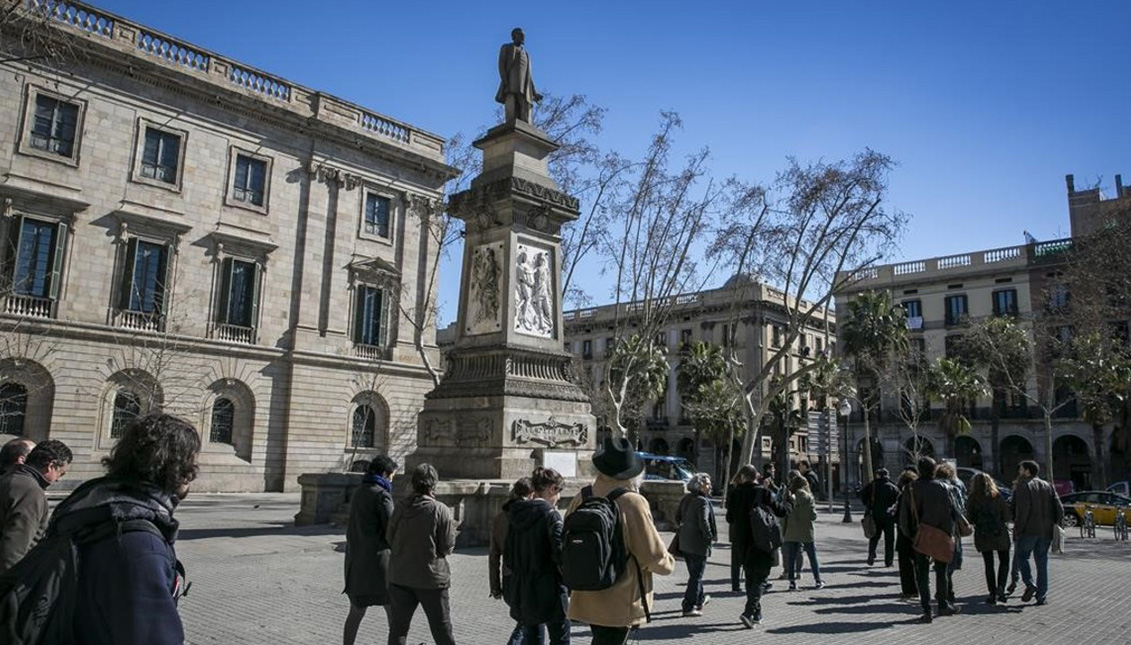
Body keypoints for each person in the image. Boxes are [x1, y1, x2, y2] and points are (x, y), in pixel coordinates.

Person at [54, 413, 199, 644]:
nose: (195, 470)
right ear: (175, 466)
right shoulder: (140, 547)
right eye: (192, 460)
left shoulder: (92, 509)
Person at [567, 438, 674, 645]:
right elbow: (651, 553)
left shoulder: (582, 497)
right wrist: (668, 564)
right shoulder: (633, 501)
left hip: (586, 593)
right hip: (620, 597)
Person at [386, 463, 458, 645]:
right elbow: (447, 546)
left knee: (398, 630)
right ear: (433, 485)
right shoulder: (439, 510)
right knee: (442, 631)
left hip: (400, 576)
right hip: (431, 580)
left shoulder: (401, 508)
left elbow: (389, 538)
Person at [505, 467, 569, 645]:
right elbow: (560, 554)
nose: (559, 498)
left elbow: (508, 556)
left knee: (532, 639)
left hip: (524, 588)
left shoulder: (515, 514)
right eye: (559, 492)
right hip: (551, 589)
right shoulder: (551, 516)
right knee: (560, 639)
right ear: (552, 489)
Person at [343, 455, 398, 645]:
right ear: (385, 473)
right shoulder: (382, 495)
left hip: (356, 562)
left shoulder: (359, 491)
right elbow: (392, 528)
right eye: (392, 475)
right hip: (379, 564)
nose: (392, 479)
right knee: (393, 611)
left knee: (356, 611)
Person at [898, 457, 958, 622]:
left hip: (920, 534)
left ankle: (926, 609)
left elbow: (904, 518)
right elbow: (953, 513)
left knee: (922, 573)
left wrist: (911, 536)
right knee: (941, 572)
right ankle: (943, 605)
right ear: (934, 470)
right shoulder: (945, 488)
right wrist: (948, 534)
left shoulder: (910, 488)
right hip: (941, 533)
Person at [729, 465, 790, 628]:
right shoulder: (763, 492)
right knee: (762, 578)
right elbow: (781, 511)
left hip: (742, 541)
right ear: (756, 476)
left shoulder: (735, 493)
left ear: (742, 477)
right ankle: (748, 612)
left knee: (750, 577)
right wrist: (787, 501)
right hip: (762, 540)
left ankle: (757, 614)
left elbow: (729, 518)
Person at [0, 438, 71, 575]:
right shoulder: (31, 491)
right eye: (60, 473)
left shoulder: (11, 478)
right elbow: (14, 548)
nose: (58, 479)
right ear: (51, 465)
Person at [1012, 459, 1064, 606]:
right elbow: (1059, 508)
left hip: (1029, 529)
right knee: (1042, 562)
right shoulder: (1048, 486)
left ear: (1028, 471)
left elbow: (1023, 510)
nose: (1019, 471)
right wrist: (1056, 525)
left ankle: (1029, 583)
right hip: (1046, 531)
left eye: (1021, 469)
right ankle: (1041, 596)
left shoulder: (1024, 486)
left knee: (1022, 557)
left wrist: (1019, 528)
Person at [492, 477, 534, 645]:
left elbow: (494, 555)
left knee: (526, 623)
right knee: (525, 623)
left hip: (508, 578)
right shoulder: (531, 514)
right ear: (532, 494)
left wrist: (495, 586)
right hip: (526, 578)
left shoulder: (500, 517)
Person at [967, 472, 1011, 605]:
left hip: (983, 533)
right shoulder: (997, 496)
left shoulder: (973, 498)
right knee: (1004, 561)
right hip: (999, 532)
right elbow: (1006, 515)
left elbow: (970, 518)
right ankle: (1001, 588)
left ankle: (992, 593)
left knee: (989, 564)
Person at [677, 472, 716, 617]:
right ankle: (688, 605)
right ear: (699, 485)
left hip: (685, 542)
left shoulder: (686, 498)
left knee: (694, 573)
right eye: (707, 483)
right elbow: (704, 522)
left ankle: (700, 598)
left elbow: (677, 517)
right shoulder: (702, 501)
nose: (710, 486)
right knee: (696, 576)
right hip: (698, 544)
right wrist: (709, 537)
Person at [782, 473, 824, 591]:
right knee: (812, 557)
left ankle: (792, 582)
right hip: (806, 530)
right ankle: (817, 580)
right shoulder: (809, 498)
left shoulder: (788, 497)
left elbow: (784, 514)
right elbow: (812, 516)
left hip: (791, 530)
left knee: (791, 557)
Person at [935, 462, 967, 606]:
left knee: (941, 561)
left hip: (934, 528)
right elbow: (960, 509)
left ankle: (945, 590)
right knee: (952, 560)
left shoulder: (932, 487)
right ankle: (946, 591)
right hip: (951, 529)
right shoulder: (954, 488)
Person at [496, 27, 542, 122]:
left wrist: (534, 92)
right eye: (520, 35)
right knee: (511, 114)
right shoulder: (506, 48)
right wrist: (505, 82)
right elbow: (501, 66)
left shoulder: (526, 54)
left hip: (524, 89)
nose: (523, 37)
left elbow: (529, 76)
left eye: (523, 36)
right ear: (514, 36)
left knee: (526, 117)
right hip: (510, 86)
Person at [859, 468, 900, 567]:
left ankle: (871, 553)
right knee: (889, 539)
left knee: (874, 536)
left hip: (875, 515)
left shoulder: (872, 486)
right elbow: (898, 501)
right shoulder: (893, 487)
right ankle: (888, 561)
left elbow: (862, 495)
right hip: (889, 516)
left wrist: (868, 505)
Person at [724, 467, 755, 593]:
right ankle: (748, 583)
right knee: (747, 558)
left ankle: (735, 585)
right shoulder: (750, 491)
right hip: (748, 530)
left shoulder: (734, 489)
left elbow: (729, 514)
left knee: (736, 559)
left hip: (736, 529)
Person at [894, 468, 920, 601]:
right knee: (919, 562)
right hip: (921, 532)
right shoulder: (921, 493)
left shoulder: (904, 495)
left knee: (905, 565)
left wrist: (905, 532)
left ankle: (909, 590)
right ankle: (921, 587)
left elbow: (901, 518)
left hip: (906, 535)